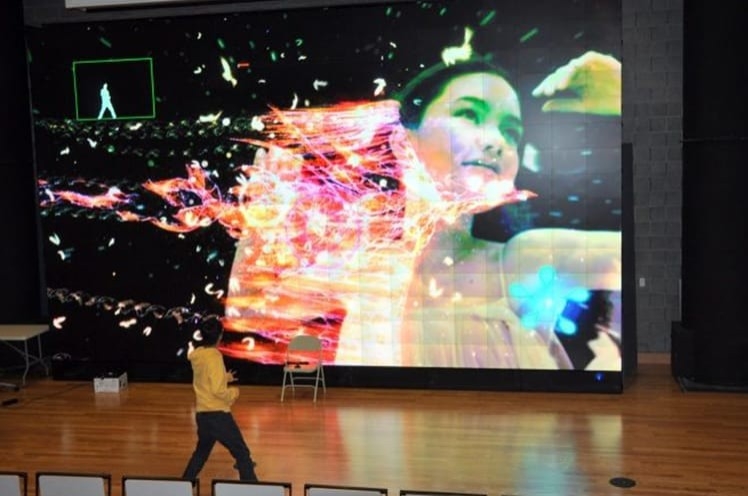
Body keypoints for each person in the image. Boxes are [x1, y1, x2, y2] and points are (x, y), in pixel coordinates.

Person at [392, 51, 623, 369]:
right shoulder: (345, 275)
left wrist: (625, 98)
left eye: (510, 132)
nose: (497, 141)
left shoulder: (525, 260)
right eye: (469, 114)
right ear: (403, 141)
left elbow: (668, 254)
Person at [182, 316, 258, 482]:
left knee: (201, 453)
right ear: (220, 335)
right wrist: (234, 393)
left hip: (203, 415)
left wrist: (225, 377)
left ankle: (184, 484)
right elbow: (217, 390)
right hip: (218, 416)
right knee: (242, 453)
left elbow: (206, 379)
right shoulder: (214, 357)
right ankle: (253, 488)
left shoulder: (198, 355)